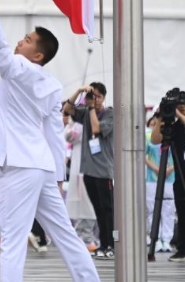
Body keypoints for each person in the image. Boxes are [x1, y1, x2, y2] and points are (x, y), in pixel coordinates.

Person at [0, 0, 99, 282]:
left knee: (13, 242)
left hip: (18, 164)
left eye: (27, 40)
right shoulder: (53, 85)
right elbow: (54, 133)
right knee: (66, 235)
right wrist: (57, 175)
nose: (20, 42)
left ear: (37, 55)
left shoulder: (18, 69)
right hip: (40, 166)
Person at [63, 83, 114, 259]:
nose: (95, 99)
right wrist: (79, 91)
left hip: (104, 170)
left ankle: (111, 245)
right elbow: (67, 108)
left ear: (104, 97)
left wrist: (91, 108)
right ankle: (103, 244)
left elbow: (96, 128)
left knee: (107, 210)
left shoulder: (110, 114)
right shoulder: (85, 112)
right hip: (88, 170)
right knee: (98, 210)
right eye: (93, 96)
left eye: (99, 96)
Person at [150, 90, 185, 261]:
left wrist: (176, 114)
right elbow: (154, 140)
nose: (181, 107)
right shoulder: (173, 128)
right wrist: (160, 117)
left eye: (184, 104)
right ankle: (183, 250)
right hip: (181, 177)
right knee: (182, 213)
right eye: (178, 105)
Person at [63, 106, 98, 251]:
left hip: (92, 168)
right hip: (78, 169)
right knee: (78, 202)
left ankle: (88, 237)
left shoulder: (95, 123)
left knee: (90, 203)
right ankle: (79, 236)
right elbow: (69, 136)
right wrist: (74, 122)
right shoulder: (77, 126)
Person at [145, 115, 174, 253]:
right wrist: (156, 168)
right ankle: (154, 239)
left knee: (168, 210)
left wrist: (169, 168)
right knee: (152, 209)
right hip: (152, 177)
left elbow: (177, 154)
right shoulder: (148, 135)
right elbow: (144, 155)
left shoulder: (173, 133)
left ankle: (166, 239)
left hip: (170, 178)